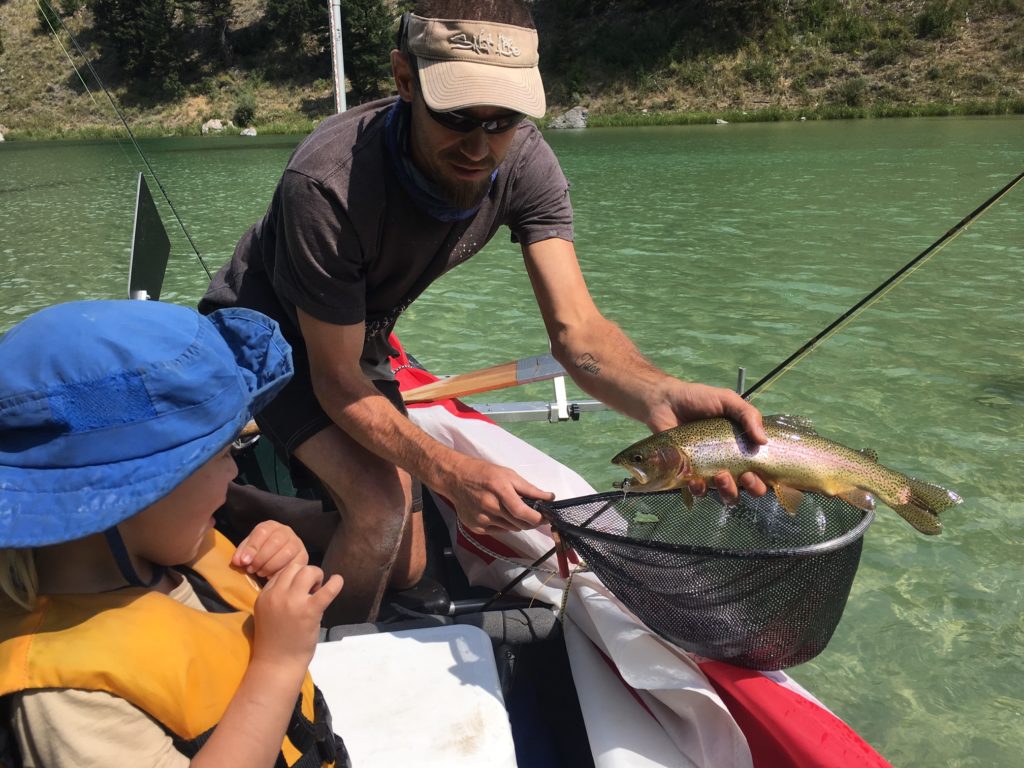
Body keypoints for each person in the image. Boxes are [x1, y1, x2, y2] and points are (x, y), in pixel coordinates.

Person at [199, 0, 768, 625]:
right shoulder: (328, 183)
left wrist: (658, 392)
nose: (479, 146)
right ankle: (330, 673)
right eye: (457, 116)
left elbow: (578, 333)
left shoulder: (524, 159)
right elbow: (334, 379)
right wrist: (450, 471)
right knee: (383, 509)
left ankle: (244, 505)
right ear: (405, 79)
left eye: (502, 120)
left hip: (357, 332)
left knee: (409, 563)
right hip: (266, 334)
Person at [0, 300, 348, 768]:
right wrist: (278, 663)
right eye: (221, 453)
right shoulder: (65, 693)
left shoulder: (173, 545)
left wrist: (271, 566)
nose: (233, 471)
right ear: (136, 494)